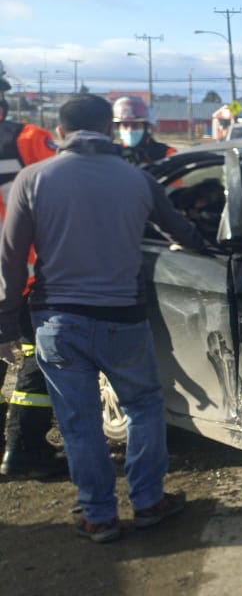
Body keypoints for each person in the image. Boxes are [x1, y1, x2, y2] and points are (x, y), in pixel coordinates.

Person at [0, 94, 206, 542]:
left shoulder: (33, 178)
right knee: (144, 408)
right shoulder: (138, 179)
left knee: (79, 421)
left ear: (59, 133)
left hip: (57, 322)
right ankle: (149, 501)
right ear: (111, 130)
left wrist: (7, 322)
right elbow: (182, 233)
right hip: (123, 318)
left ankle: (98, 516)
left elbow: (13, 259)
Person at [0, 90, 65, 480]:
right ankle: (24, 449)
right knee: (34, 365)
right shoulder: (27, 140)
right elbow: (64, 193)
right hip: (21, 280)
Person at [113, 96, 176, 165]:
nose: (129, 130)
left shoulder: (167, 153)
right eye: (125, 125)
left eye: (135, 125)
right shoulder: (114, 155)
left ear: (146, 127)